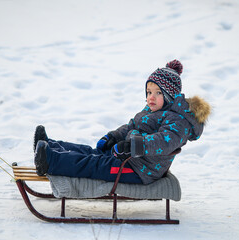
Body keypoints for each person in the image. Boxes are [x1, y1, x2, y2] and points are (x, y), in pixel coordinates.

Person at [34, 59, 211, 185]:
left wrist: (132, 146)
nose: (151, 97)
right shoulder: (153, 110)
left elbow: (164, 141)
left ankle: (50, 160)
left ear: (169, 96)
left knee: (93, 164)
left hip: (140, 170)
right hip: (128, 158)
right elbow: (131, 126)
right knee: (93, 152)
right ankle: (49, 145)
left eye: (158, 93)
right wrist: (113, 136)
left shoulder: (178, 120)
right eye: (149, 92)